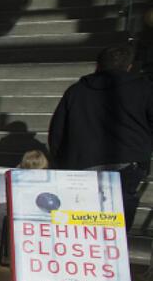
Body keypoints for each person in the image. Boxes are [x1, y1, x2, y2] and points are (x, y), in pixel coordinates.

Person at [49, 44, 153, 229]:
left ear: (98, 65)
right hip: (128, 160)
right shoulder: (144, 88)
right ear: (129, 66)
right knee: (119, 214)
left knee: (83, 215)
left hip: (81, 162)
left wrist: (61, 162)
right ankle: (114, 250)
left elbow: (57, 131)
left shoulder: (76, 91)